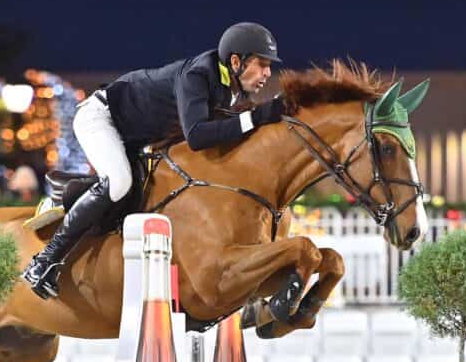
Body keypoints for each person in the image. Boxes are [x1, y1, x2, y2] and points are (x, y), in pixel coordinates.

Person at [22, 22, 285, 299]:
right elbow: (197, 136)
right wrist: (256, 117)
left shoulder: (233, 87)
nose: (268, 73)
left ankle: (75, 198)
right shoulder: (199, 74)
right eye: (263, 64)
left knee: (141, 189)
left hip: (134, 137)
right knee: (120, 182)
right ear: (236, 61)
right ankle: (44, 262)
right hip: (101, 117)